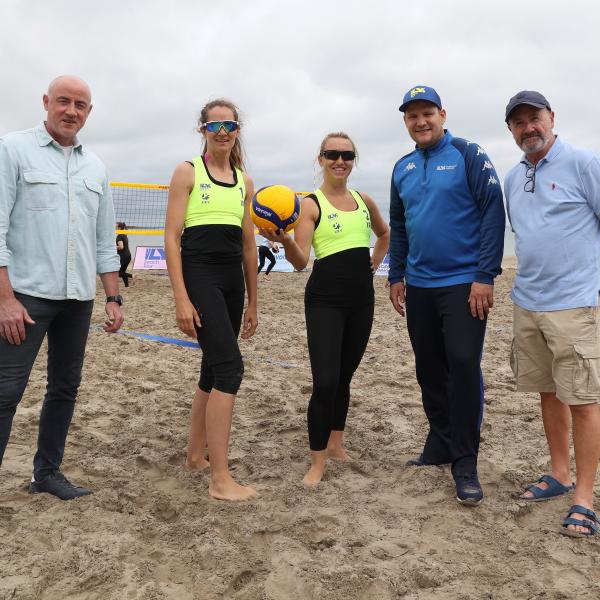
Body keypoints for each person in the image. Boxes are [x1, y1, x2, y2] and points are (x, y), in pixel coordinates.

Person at [0, 75, 124, 500]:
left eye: (81, 105)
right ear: (46, 102)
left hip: (78, 300)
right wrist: (5, 299)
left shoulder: (96, 167)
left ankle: (46, 474)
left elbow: (104, 239)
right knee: (5, 391)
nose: (72, 111)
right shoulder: (12, 149)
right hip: (26, 297)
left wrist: (113, 296)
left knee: (64, 389)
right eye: (64, 102)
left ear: (89, 113)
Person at [388, 86, 505, 506]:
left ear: (442, 113)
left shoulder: (467, 153)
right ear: (405, 121)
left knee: (462, 364)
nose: (420, 121)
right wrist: (396, 274)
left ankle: (465, 460)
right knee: (429, 367)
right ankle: (439, 443)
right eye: (412, 116)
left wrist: (484, 274)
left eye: (427, 113)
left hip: (463, 284)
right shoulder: (401, 167)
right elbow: (399, 226)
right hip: (418, 284)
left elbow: (493, 210)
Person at [261, 132, 389, 486]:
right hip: (325, 301)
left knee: (344, 377)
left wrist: (376, 262)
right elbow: (301, 261)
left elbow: (385, 234)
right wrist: (286, 240)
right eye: (332, 154)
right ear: (320, 159)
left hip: (361, 300)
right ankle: (317, 462)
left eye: (347, 155)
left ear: (354, 160)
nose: (340, 161)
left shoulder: (363, 199)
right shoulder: (310, 204)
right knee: (326, 381)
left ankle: (337, 444)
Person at [504, 90, 600, 537]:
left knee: (583, 400)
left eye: (535, 118)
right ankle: (559, 474)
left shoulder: (584, 163)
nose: (529, 128)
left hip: (577, 304)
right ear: (511, 129)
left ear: (551, 117)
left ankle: (584, 496)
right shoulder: (512, 177)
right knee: (547, 392)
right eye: (519, 122)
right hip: (528, 303)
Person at [164, 99, 258, 501]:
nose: (222, 132)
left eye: (229, 125)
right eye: (214, 126)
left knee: (212, 368)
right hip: (200, 277)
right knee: (230, 370)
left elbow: (249, 246)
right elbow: (171, 237)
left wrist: (254, 302)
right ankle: (220, 479)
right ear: (202, 130)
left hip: (231, 281)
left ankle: (194, 457)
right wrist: (181, 298)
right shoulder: (188, 171)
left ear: (237, 130)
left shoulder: (244, 181)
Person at [116, 221, 133, 287]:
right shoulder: (124, 235)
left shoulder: (119, 236)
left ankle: (132, 276)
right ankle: (127, 286)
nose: (115, 228)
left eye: (116, 227)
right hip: (128, 255)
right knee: (123, 271)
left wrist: (112, 247)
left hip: (124, 256)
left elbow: (121, 247)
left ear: (119, 228)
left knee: (119, 273)